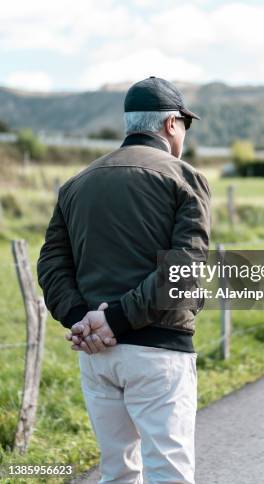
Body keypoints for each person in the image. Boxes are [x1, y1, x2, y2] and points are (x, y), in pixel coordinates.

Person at [37, 76, 211, 484]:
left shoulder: (77, 184)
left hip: (97, 356)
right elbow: (182, 271)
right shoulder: (185, 179)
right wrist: (113, 320)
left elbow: (51, 265)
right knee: (168, 469)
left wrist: (82, 318)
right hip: (158, 351)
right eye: (185, 124)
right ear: (172, 124)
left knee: (116, 472)